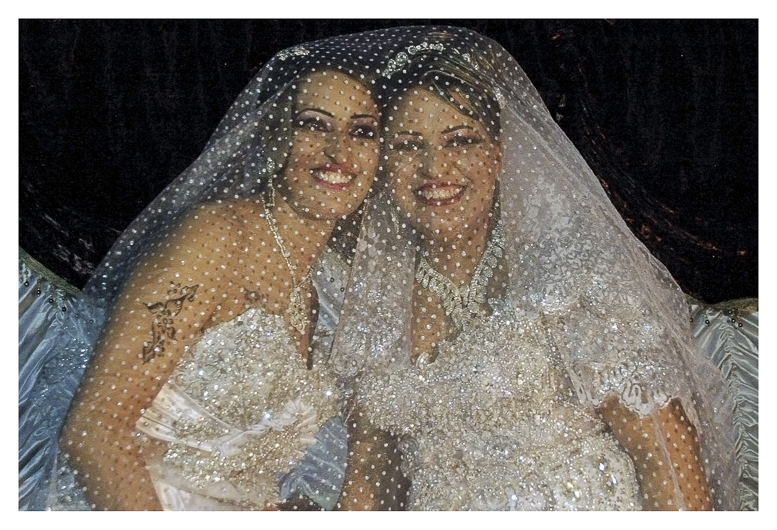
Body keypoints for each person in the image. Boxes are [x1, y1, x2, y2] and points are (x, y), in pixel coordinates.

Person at [331, 26, 741, 510]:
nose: (434, 168)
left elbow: (669, 462)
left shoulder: (569, 277)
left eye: (460, 141)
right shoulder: (377, 298)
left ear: (498, 154)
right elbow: (368, 479)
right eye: (406, 145)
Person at [56, 33, 390, 510]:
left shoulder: (318, 285)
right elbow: (94, 432)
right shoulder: (215, 238)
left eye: (362, 132)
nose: (339, 152)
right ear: (274, 135)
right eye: (313, 125)